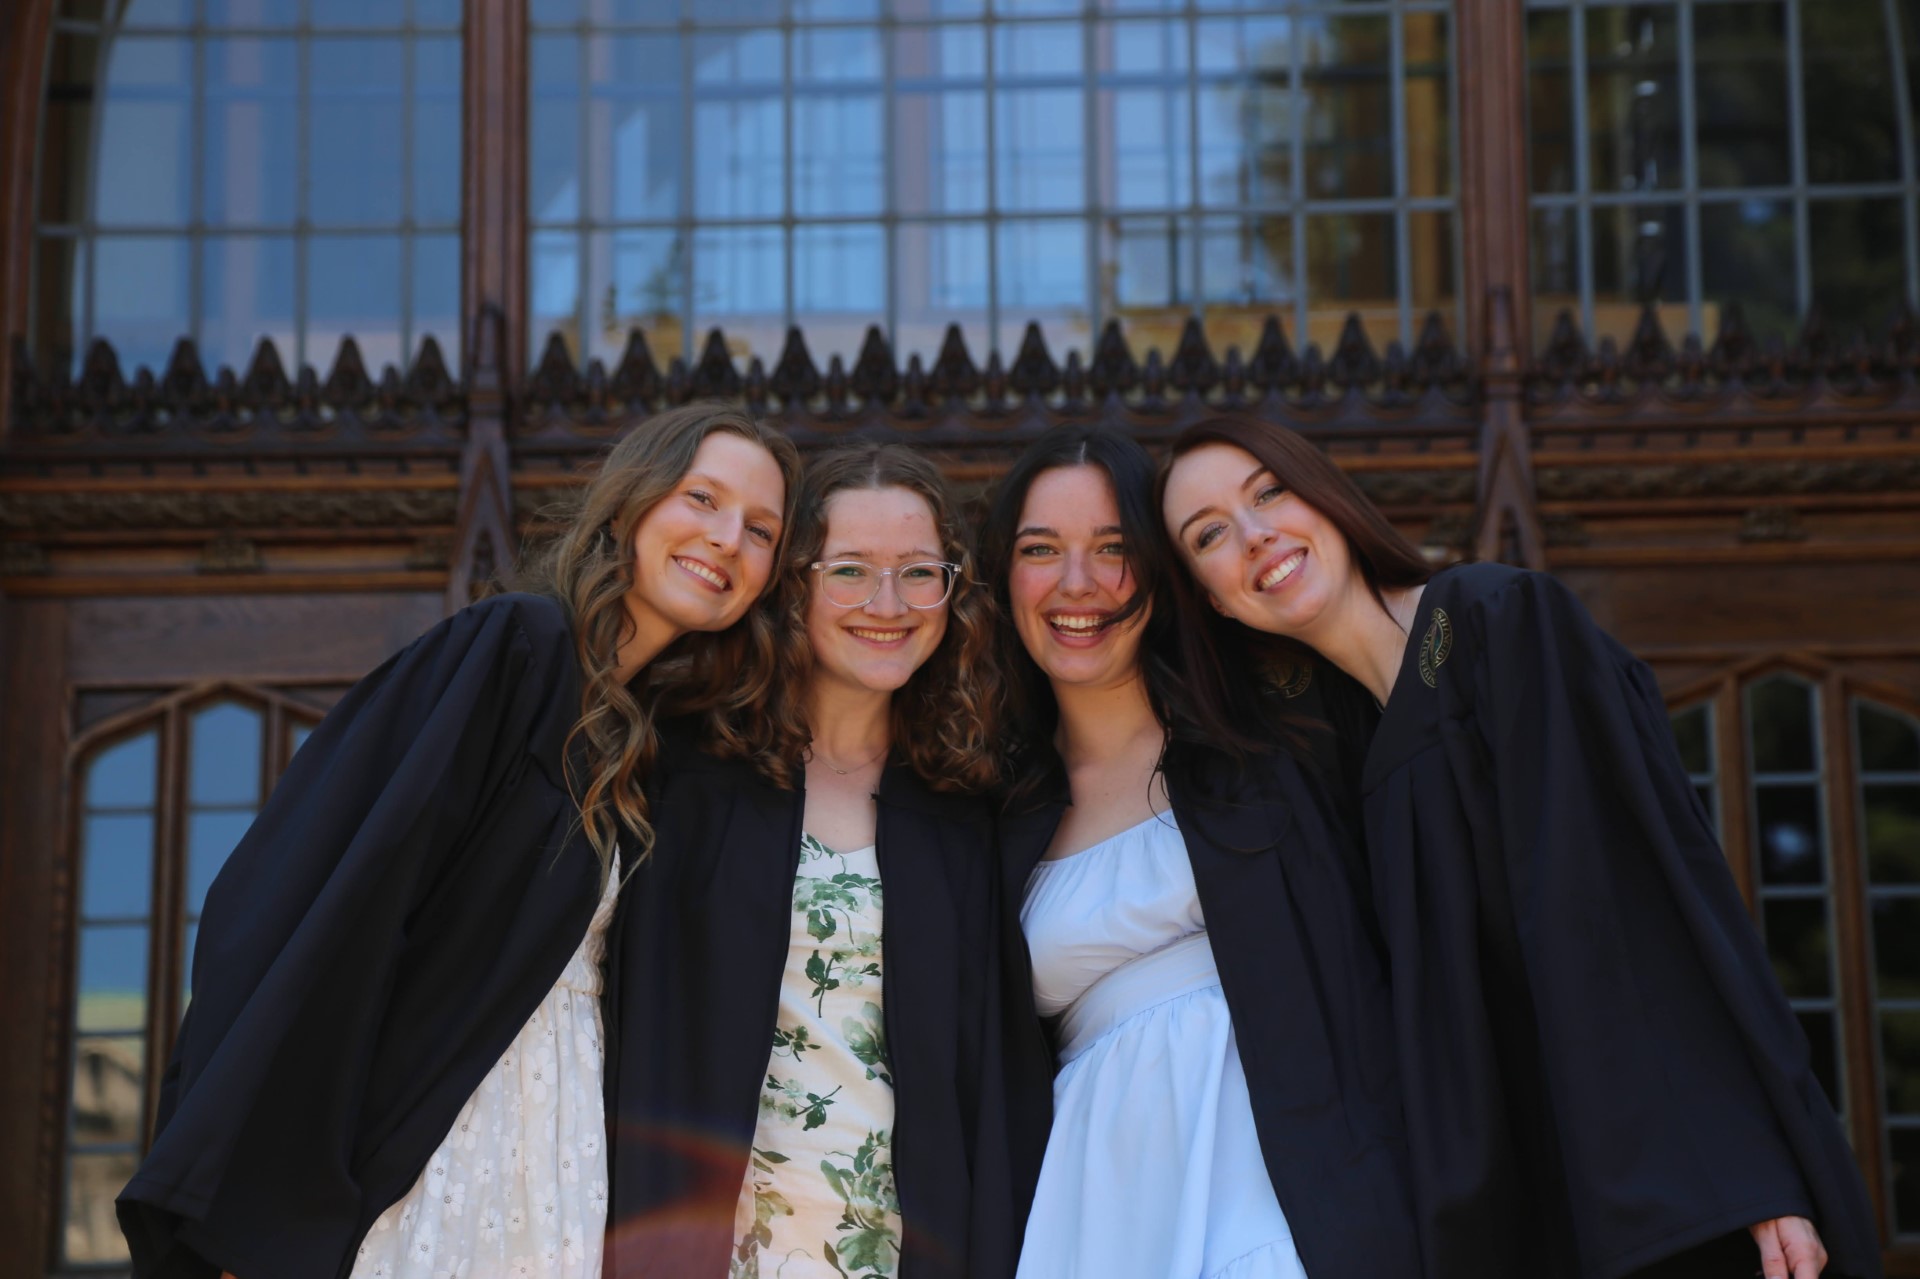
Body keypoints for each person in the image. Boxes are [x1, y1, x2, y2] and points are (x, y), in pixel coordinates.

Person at [1158, 414, 1882, 1279]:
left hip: (1664, 1191)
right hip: (1530, 1211)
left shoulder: (1497, 623)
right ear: (1209, 595)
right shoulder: (1342, 754)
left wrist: (1745, 1171)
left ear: (1325, 494)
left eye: (1268, 491)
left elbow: (1634, 910)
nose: (1255, 535)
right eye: (1210, 535)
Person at [116, 404, 800, 1279]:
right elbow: (329, 899)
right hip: (435, 1148)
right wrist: (263, 1192)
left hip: (558, 1150)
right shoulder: (511, 650)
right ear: (632, 503)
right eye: (701, 496)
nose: (725, 537)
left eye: (761, 530)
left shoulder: (650, 742)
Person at [979, 426, 1420, 1279]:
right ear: (1003, 574)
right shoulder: (989, 805)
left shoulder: (1282, 740)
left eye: (1114, 548)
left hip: (1311, 1167)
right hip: (1105, 1197)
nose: (1080, 584)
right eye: (1042, 549)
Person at [602, 443, 1021, 1279]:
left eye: (918, 572)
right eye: (851, 571)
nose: (888, 603)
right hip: (706, 1243)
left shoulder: (968, 809)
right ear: (794, 584)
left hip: (901, 1248)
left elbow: (991, 1089)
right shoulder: (685, 773)